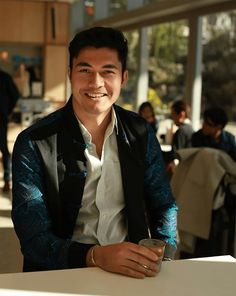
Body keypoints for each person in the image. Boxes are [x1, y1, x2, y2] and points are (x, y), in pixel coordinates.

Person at [11, 27, 177, 279]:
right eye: (85, 70)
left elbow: (164, 204)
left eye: (108, 71)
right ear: (69, 74)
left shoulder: (141, 133)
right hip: (59, 274)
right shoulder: (34, 142)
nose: (96, 82)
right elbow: (34, 239)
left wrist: (165, 257)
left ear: (123, 78)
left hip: (131, 273)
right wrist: (95, 256)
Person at [0, 68, 20, 192]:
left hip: (1, 117)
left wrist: (7, 111)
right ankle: (7, 180)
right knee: (4, 149)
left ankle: (7, 180)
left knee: (4, 149)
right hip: (2, 116)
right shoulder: (5, 76)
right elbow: (15, 95)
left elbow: (15, 95)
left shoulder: (5, 77)